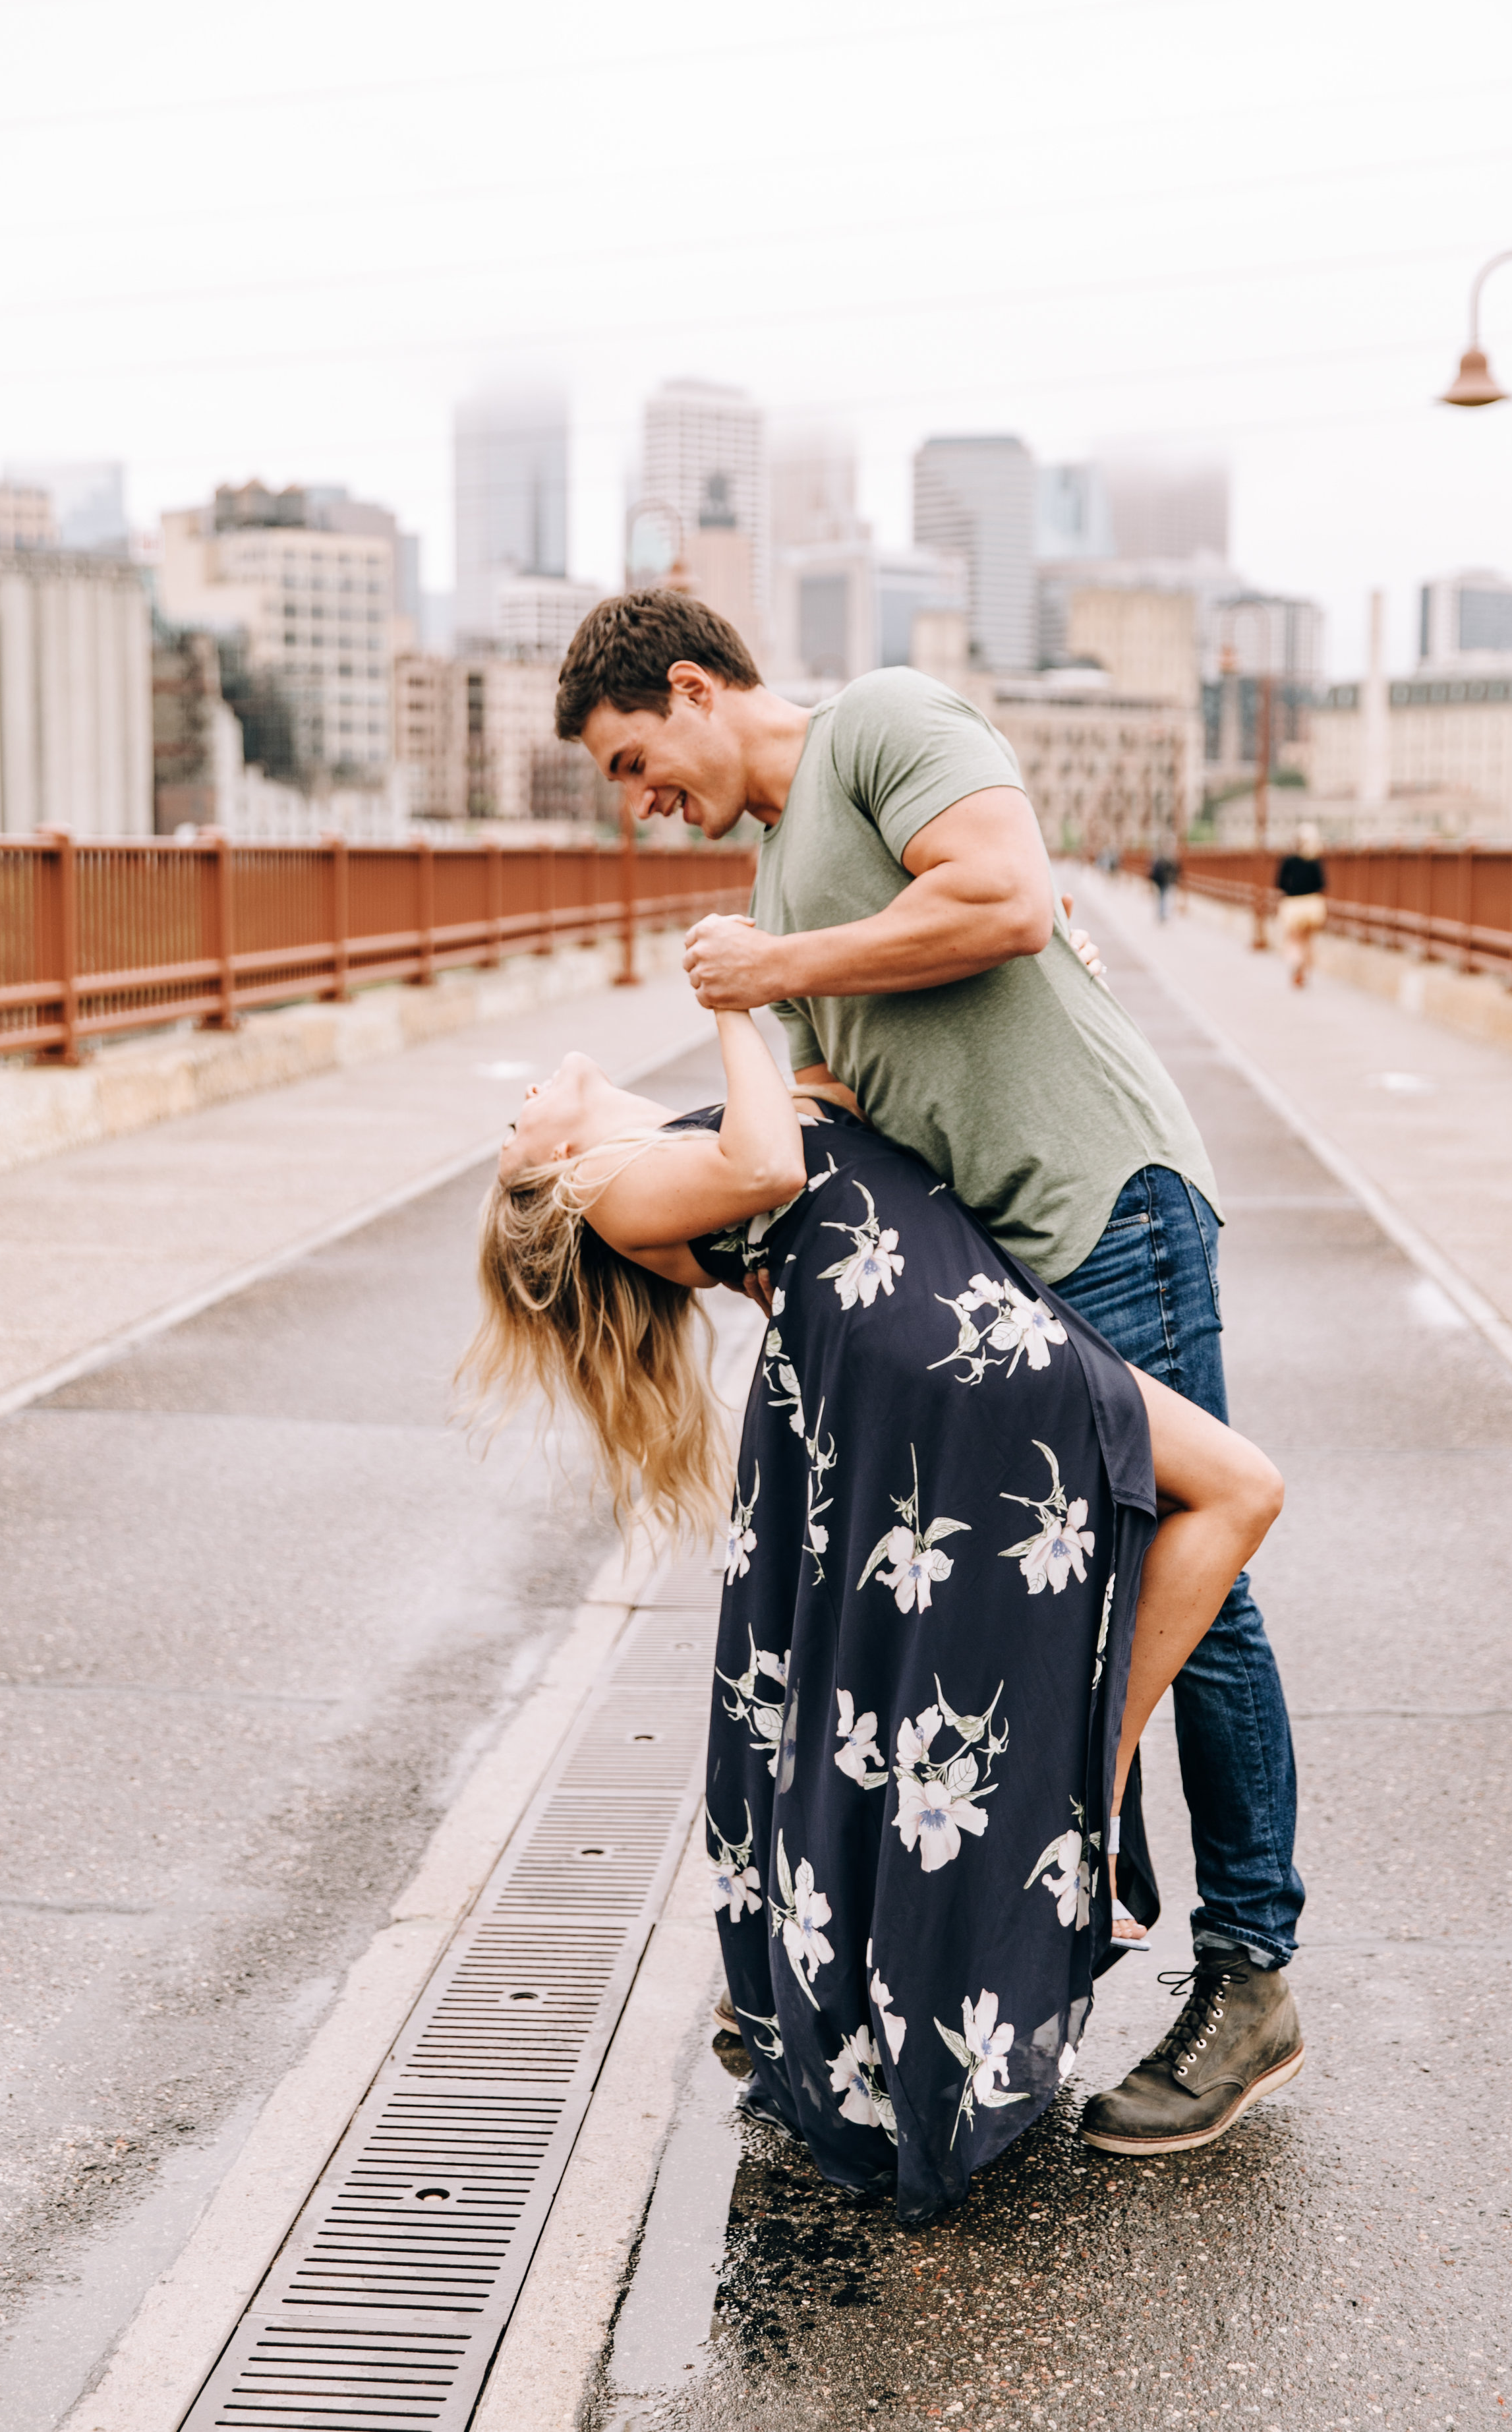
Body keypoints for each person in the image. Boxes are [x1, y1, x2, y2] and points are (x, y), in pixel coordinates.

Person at [552, 589, 1308, 2162]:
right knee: (1078, 1582)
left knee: (1196, 1570)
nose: (640, 801)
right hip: (1012, 1261)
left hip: (1105, 1200)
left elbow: (1008, 901)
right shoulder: (775, 878)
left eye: (636, 758)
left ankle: (1248, 1973)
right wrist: (662, 1186)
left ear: (694, 687)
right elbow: (843, 1101)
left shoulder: (884, 723)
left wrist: (769, 968)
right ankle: (1028, 1917)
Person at [465, 1008, 1285, 2221]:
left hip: (941, 1342)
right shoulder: (614, 1195)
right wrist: (739, 990)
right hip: (949, 1355)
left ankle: (1086, 1797)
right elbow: (775, 1166)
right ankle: (1088, 1798)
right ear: (549, 1182)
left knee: (1220, 1501)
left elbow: (851, 1086)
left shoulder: (684, 1143)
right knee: (1239, 1489)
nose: (518, 1100)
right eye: (510, 1133)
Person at [1276, 823, 1328, 989]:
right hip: (1313, 906)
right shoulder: (1315, 861)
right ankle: (1305, 971)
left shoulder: (1289, 861)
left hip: (1294, 905)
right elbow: (1322, 884)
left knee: (1294, 940)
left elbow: (1279, 883)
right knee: (1307, 941)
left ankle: (1297, 966)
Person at [1149, 846, 1180, 924]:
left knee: (1161, 897)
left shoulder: (1158, 859)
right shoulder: (1170, 860)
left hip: (1159, 881)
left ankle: (1160, 913)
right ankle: (1162, 914)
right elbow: (1176, 870)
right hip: (1165, 881)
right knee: (1163, 897)